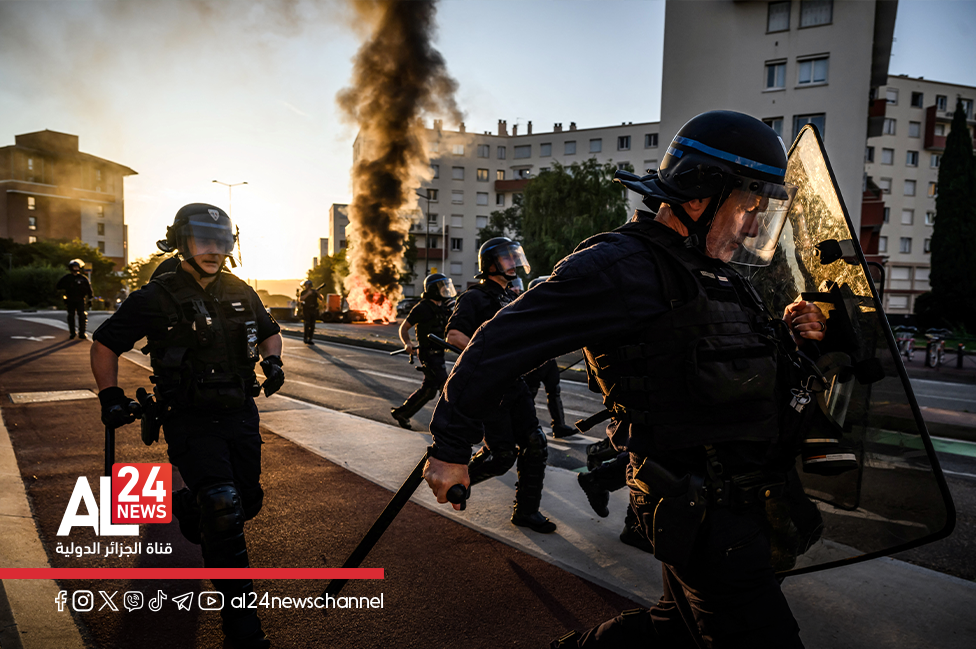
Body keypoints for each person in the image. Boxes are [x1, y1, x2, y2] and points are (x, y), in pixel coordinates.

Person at [423, 111, 827, 648]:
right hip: (701, 512)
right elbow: (497, 345)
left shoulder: (721, 274)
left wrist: (797, 333)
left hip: (753, 506)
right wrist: (451, 446)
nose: (754, 226)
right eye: (748, 207)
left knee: (674, 632)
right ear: (700, 196)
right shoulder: (619, 266)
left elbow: (732, 361)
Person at [90, 203, 283, 649]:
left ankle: (190, 506)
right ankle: (244, 632)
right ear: (181, 241)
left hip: (240, 412)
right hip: (189, 417)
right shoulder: (155, 297)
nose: (214, 250)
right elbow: (105, 344)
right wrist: (111, 397)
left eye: (222, 241)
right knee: (223, 505)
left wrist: (272, 361)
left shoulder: (240, 289)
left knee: (246, 501)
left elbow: (270, 330)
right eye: (203, 239)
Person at [441, 237, 557, 534]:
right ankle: (458, 483)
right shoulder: (475, 297)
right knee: (502, 455)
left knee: (536, 443)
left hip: (515, 383)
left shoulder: (510, 297)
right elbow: (454, 335)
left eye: (514, 258)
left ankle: (526, 511)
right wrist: (487, 361)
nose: (513, 264)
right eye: (507, 259)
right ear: (491, 264)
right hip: (491, 388)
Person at [390, 273, 457, 429]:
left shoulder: (445, 307)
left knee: (429, 391)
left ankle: (402, 413)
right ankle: (448, 425)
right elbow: (404, 327)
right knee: (445, 387)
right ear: (433, 289)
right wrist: (407, 343)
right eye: (442, 287)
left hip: (439, 353)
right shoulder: (422, 308)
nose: (445, 290)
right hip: (428, 354)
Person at [56, 259, 93, 339]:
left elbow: (89, 289)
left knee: (82, 315)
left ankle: (82, 333)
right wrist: (63, 294)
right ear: (71, 268)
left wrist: (90, 299)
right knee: (71, 315)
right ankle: (72, 333)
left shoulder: (83, 278)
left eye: (77, 267)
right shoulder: (67, 278)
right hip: (70, 299)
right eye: (74, 267)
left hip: (80, 299)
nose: (76, 269)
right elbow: (58, 287)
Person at [300, 280, 321, 345]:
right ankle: (305, 338)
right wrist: (308, 294)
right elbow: (301, 299)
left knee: (312, 325)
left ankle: (310, 339)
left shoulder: (314, 292)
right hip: (306, 309)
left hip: (313, 309)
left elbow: (321, 298)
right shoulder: (304, 292)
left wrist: (318, 293)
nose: (306, 286)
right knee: (307, 323)